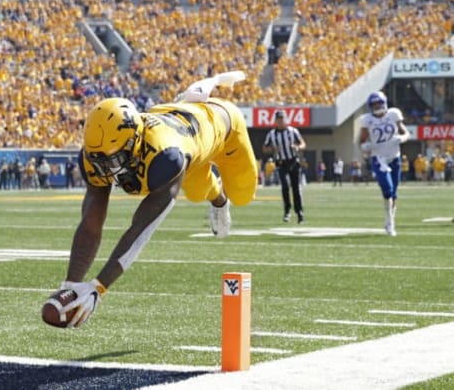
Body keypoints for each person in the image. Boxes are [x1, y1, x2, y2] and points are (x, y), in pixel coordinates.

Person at [46, 73, 257, 328]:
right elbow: (91, 223)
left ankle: (221, 200)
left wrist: (99, 287)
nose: (105, 169)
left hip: (223, 128)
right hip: (187, 136)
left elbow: (140, 230)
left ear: (135, 144)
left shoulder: (166, 158)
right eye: (98, 160)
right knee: (197, 191)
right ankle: (195, 99)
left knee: (243, 193)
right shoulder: (101, 153)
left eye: (112, 161)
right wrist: (72, 284)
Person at [358, 91, 410, 237]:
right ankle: (390, 223)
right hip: (379, 158)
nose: (376, 106)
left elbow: (405, 132)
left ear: (384, 103)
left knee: (394, 192)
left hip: (395, 157)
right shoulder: (367, 120)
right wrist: (365, 147)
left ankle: (389, 219)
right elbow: (361, 141)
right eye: (373, 104)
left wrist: (402, 138)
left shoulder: (393, 114)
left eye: (378, 103)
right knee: (387, 190)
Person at [262, 111, 307, 223]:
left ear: (286, 119)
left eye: (282, 119)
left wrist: (297, 147)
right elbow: (264, 148)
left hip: (293, 161)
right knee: (285, 187)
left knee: (296, 188)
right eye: (279, 119)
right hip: (281, 163)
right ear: (275, 121)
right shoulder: (272, 134)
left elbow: (303, 144)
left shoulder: (293, 131)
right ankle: (287, 211)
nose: (281, 121)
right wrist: (273, 149)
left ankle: (299, 213)